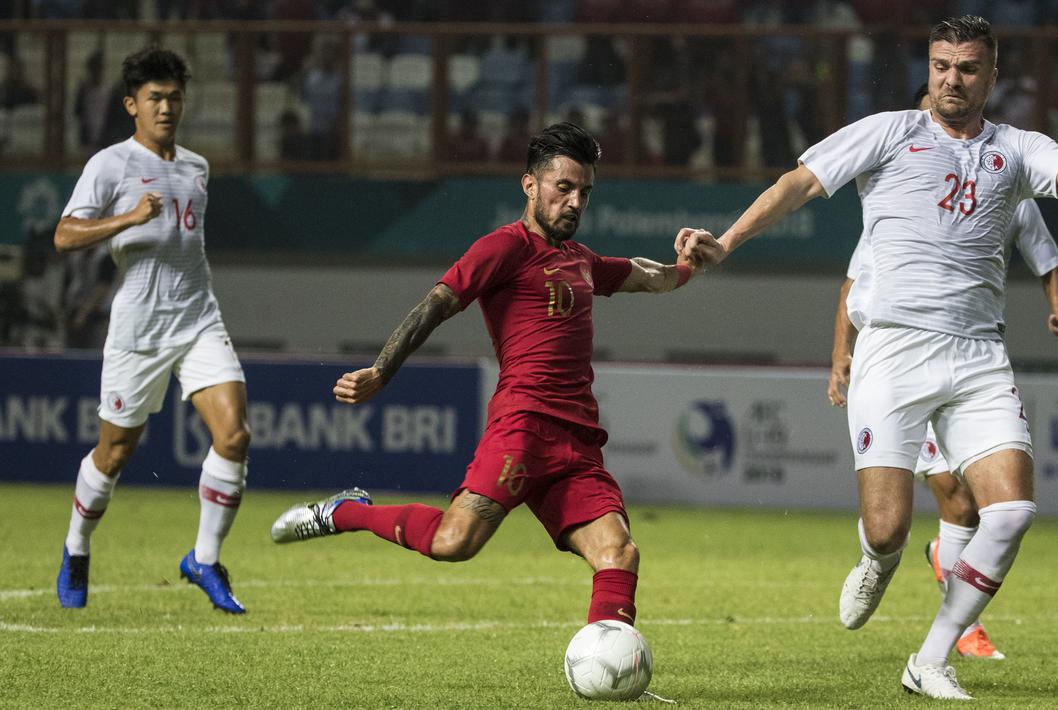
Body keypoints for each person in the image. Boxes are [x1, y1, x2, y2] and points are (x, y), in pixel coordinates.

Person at [678, 15, 1058, 700]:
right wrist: (727, 242)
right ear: (929, 68)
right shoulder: (889, 132)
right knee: (887, 530)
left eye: (967, 68)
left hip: (978, 354)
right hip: (893, 348)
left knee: (1009, 513)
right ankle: (877, 560)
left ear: (991, 76)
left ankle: (930, 660)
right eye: (941, 65)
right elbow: (798, 183)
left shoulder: (1016, 148)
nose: (951, 79)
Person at [271, 123, 721, 634]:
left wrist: (687, 264)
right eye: (564, 187)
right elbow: (435, 306)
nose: (575, 202)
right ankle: (347, 512)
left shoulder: (582, 261)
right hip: (523, 426)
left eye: (585, 192)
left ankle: (610, 660)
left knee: (619, 552)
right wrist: (381, 370)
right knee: (453, 542)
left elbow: (650, 276)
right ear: (530, 184)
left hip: (578, 443)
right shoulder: (504, 248)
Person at [827, 83, 1058, 664]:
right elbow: (853, 285)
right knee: (927, 507)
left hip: (969, 356)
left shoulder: (1009, 183)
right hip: (897, 359)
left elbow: (1049, 263)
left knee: (975, 506)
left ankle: (953, 623)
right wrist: (841, 354)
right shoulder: (896, 192)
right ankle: (888, 558)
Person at [53, 47, 251, 614]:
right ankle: (76, 547)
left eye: (174, 98)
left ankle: (204, 559)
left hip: (198, 318)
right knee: (114, 453)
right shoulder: (110, 164)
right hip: (139, 328)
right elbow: (65, 235)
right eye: (155, 98)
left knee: (234, 435)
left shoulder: (196, 167)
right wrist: (128, 219)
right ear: (131, 105)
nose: (166, 107)